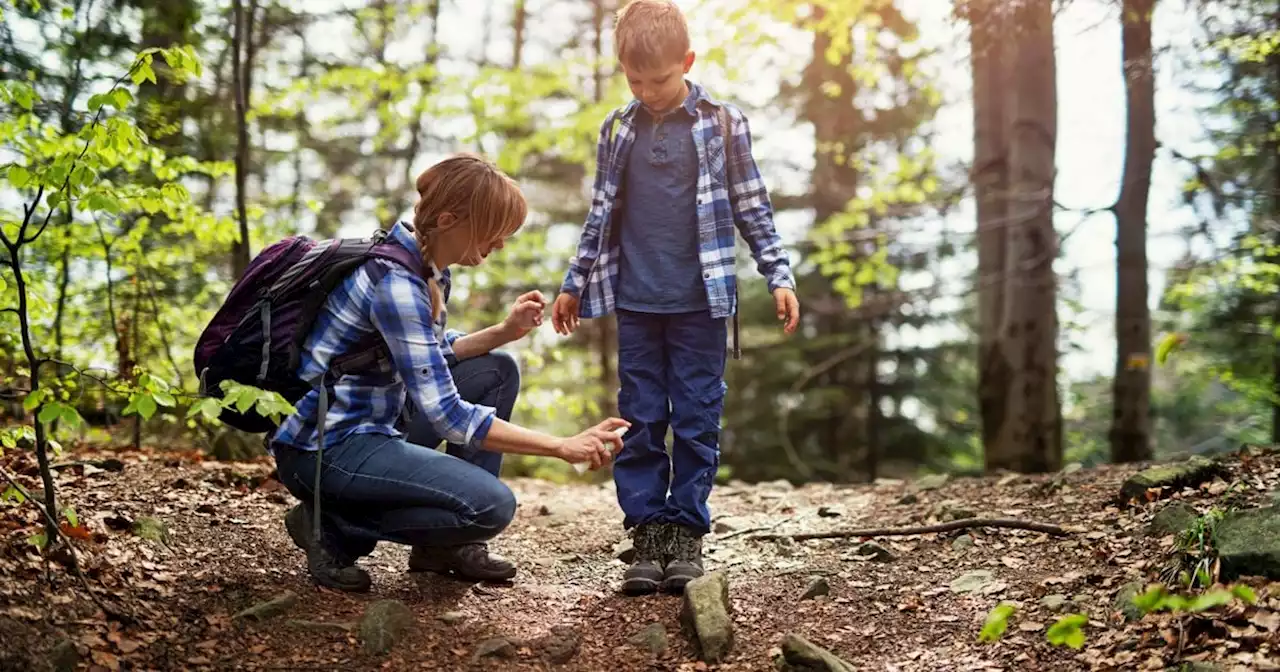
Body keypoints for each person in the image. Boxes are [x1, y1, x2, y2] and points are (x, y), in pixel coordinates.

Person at [270, 153, 629, 593]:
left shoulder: (425, 268)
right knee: (490, 507)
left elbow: (433, 356)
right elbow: (448, 415)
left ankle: (443, 548)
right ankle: (330, 525)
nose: (500, 244)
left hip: (377, 424)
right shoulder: (397, 284)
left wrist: (505, 331)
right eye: (494, 230)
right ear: (449, 220)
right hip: (326, 448)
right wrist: (561, 446)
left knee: (496, 370)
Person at [551, 0, 800, 596]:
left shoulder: (721, 123)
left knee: (695, 417)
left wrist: (779, 273)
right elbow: (600, 215)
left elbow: (751, 204)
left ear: (686, 62)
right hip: (636, 303)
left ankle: (685, 528)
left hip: (701, 304)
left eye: (659, 78)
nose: (648, 90)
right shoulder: (618, 128)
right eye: (634, 79)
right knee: (639, 417)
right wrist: (573, 282)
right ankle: (646, 529)